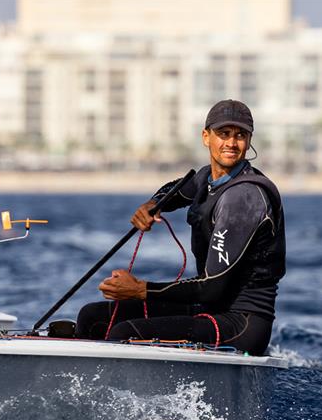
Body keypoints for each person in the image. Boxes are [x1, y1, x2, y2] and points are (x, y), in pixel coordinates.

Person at [75, 99, 285, 356]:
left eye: (240, 135)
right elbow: (176, 191)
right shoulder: (207, 179)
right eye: (223, 134)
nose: (231, 143)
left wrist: (141, 290)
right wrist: (153, 204)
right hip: (208, 309)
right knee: (93, 316)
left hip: (241, 323)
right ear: (206, 137)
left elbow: (212, 286)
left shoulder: (243, 197)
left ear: (249, 140)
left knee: (125, 333)